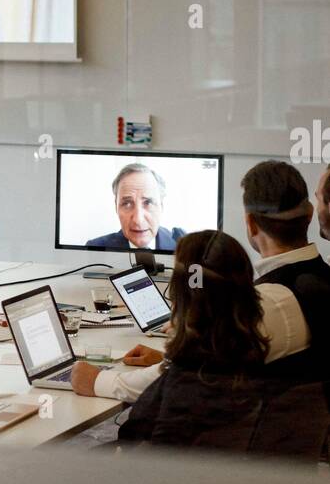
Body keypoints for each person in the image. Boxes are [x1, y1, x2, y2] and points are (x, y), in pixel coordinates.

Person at [73, 160, 330, 402]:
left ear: (250, 224)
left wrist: (98, 380)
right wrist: (172, 358)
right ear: (308, 215)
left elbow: (187, 383)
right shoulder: (315, 282)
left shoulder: (268, 305)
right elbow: (218, 366)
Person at [117, 229, 329, 458]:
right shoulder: (258, 363)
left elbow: (136, 441)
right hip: (238, 483)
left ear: (179, 293)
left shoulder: (186, 380)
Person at [86, 163, 184, 253]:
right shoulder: (95, 250)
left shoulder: (186, 245)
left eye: (148, 202)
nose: (138, 220)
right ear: (116, 207)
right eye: (127, 204)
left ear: (161, 206)